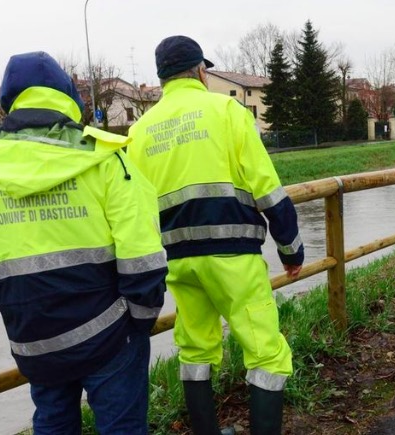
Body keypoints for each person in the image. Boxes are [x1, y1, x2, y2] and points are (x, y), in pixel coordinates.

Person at [0, 51, 167, 434]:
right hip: (111, 334)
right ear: (68, 96)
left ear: (9, 101)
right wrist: (138, 326)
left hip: (34, 341)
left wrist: (29, 310)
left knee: (52, 424)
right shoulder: (105, 157)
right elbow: (144, 261)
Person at [126, 35, 304, 435]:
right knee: (265, 352)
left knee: (195, 349)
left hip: (177, 260)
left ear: (162, 79)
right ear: (201, 71)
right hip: (233, 255)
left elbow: (136, 210)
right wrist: (291, 250)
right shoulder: (227, 110)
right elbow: (267, 188)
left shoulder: (140, 131)